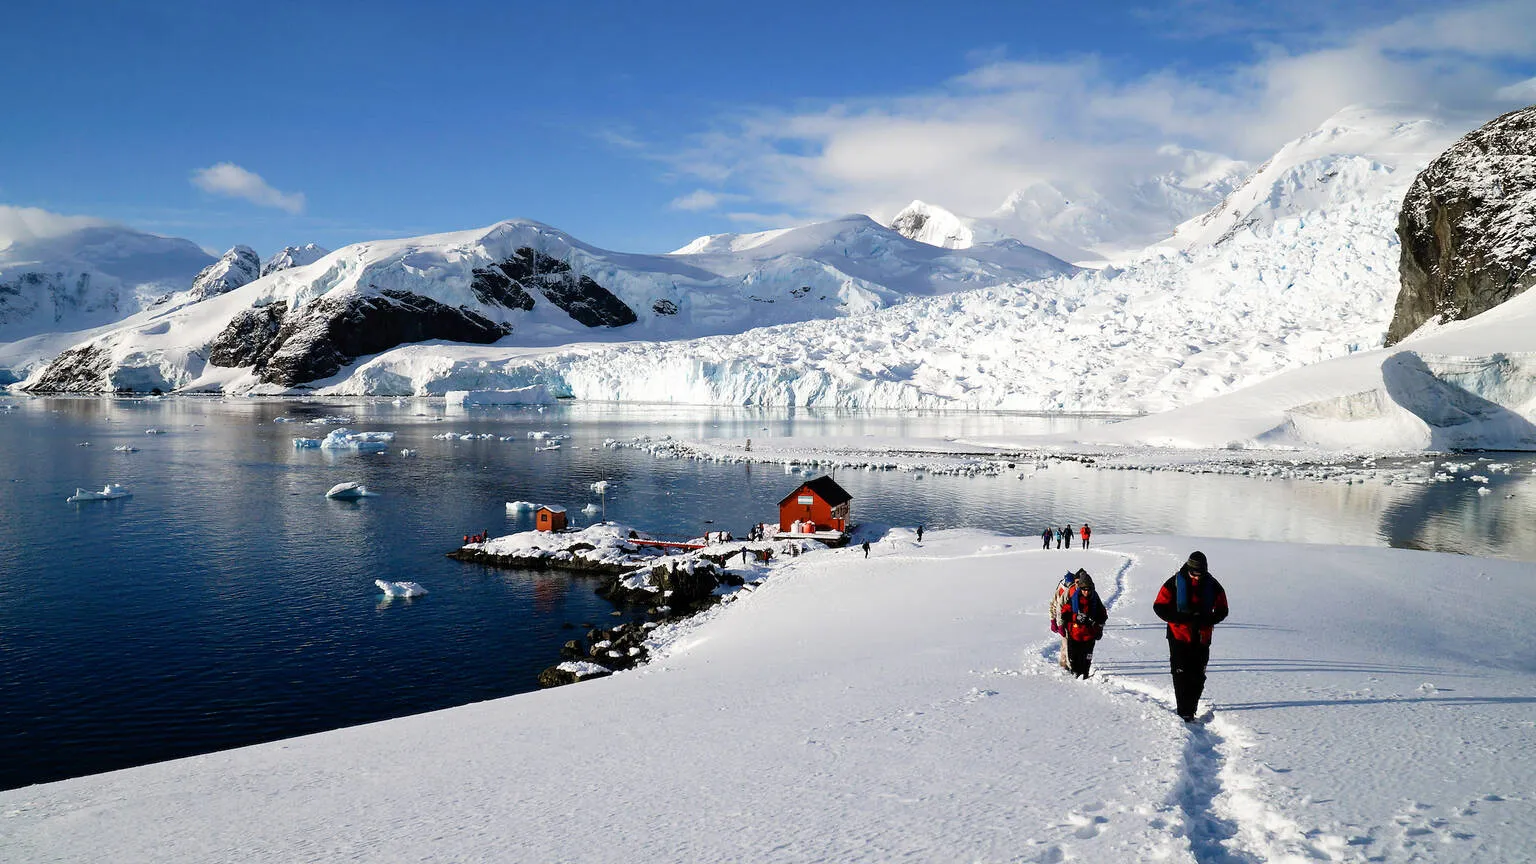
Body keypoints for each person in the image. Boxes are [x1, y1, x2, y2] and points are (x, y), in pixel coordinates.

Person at [1153, 551, 1230, 722]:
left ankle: (1191, 707)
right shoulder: (1174, 583)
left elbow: (1223, 610)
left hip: (1202, 637)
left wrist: (1206, 620)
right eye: (1193, 573)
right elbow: (1159, 606)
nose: (1196, 577)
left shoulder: (1213, 585)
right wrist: (1181, 618)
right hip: (1178, 635)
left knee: (1197, 675)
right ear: (1188, 569)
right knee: (1180, 674)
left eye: (1200, 574)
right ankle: (1184, 712)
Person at [1056, 570, 1107, 678]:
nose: (1086, 592)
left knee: (1086, 663)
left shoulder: (1095, 600)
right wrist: (1075, 618)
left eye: (1088, 589)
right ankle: (1075, 683)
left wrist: (1099, 627)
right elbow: (1064, 613)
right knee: (1074, 662)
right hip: (1074, 635)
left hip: (1089, 636)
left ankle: (1084, 679)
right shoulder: (1073, 599)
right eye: (1084, 589)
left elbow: (1103, 616)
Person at [1048, 570, 1077, 669]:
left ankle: (1067, 663)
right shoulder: (1060, 590)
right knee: (1066, 642)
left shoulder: (1075, 590)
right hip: (1063, 620)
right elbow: (1053, 605)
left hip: (1073, 619)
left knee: (1071, 643)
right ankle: (1067, 664)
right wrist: (1053, 621)